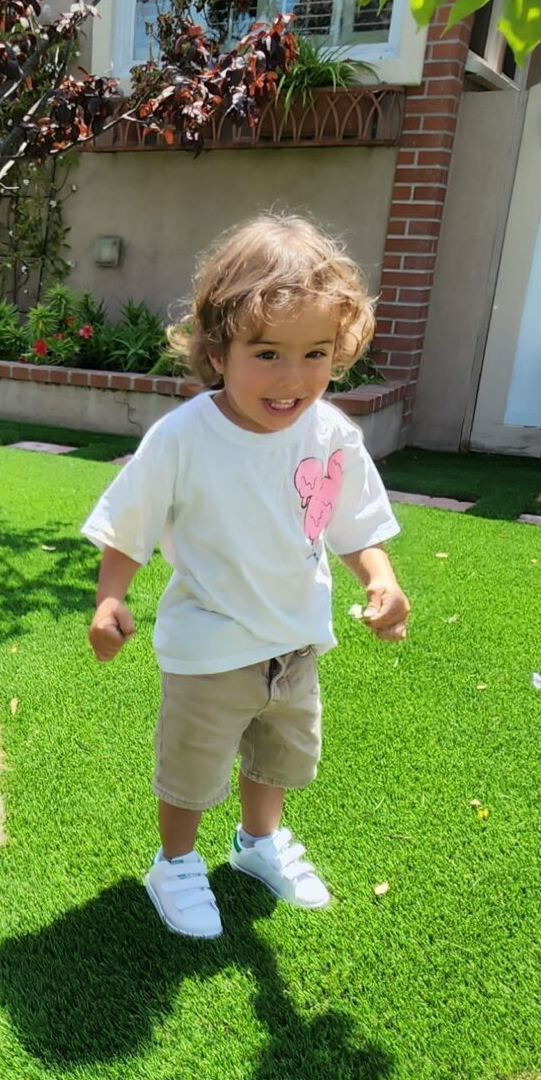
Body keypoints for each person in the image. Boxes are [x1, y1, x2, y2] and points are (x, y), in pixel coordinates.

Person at [82, 214, 409, 938]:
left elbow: (351, 524)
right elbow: (130, 522)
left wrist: (379, 580)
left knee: (278, 758)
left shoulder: (331, 435)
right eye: (267, 352)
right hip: (210, 648)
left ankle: (257, 845)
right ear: (217, 349)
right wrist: (110, 598)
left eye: (315, 353)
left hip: (295, 644)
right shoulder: (184, 438)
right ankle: (175, 862)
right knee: (194, 770)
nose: (292, 378)